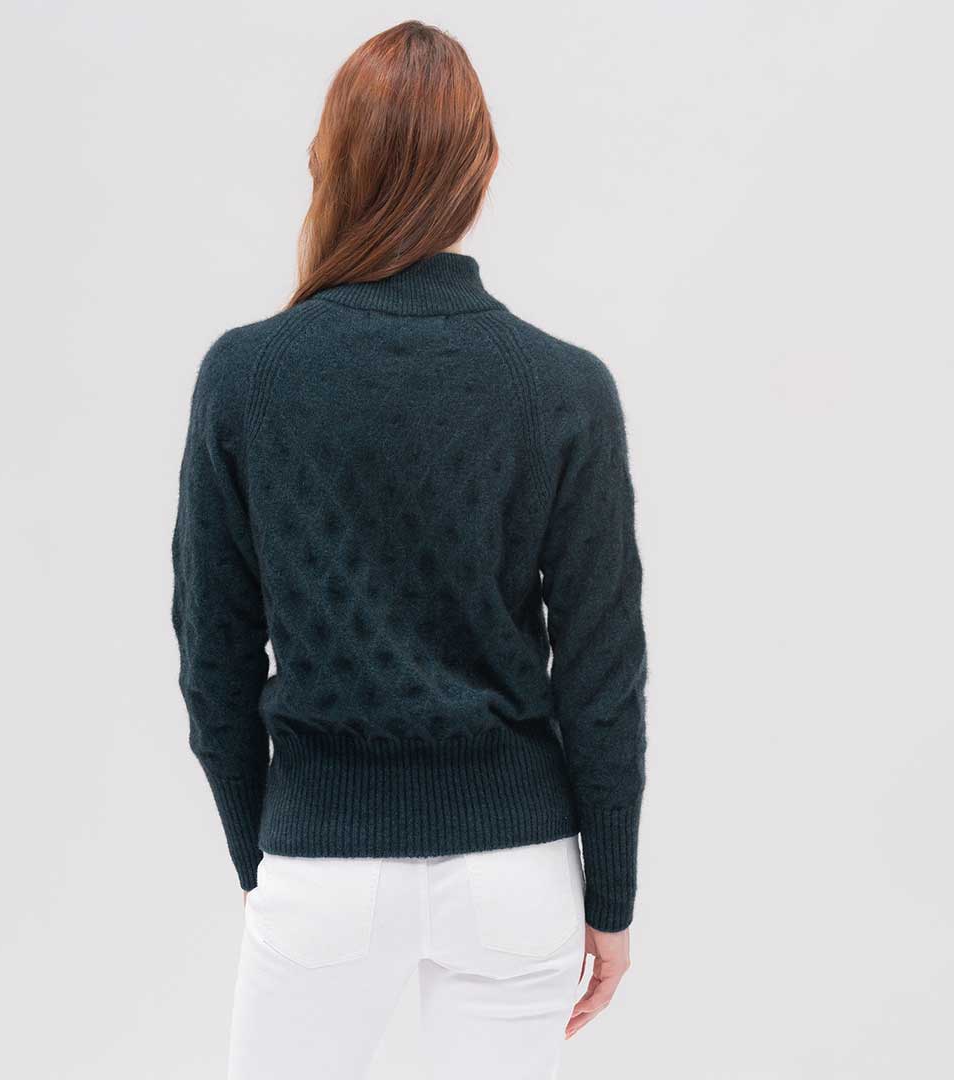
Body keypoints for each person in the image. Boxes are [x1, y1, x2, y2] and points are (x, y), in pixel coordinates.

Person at [171, 19, 647, 1080]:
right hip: (516, 874)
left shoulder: (247, 377)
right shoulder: (563, 388)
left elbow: (213, 660)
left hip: (322, 865)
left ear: (331, 164)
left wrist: (268, 849)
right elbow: (603, 676)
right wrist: (610, 897)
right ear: (479, 170)